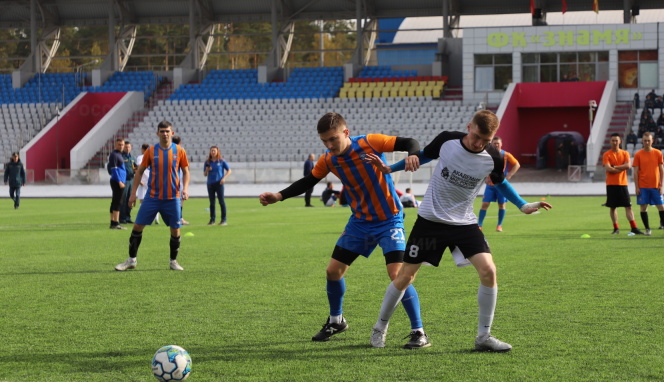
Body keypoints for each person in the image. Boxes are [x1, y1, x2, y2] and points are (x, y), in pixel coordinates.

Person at [367, 110, 551, 352]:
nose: (479, 143)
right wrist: (390, 169)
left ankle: (483, 337)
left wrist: (523, 205)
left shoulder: (493, 157)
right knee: (405, 277)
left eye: (485, 140)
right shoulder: (447, 141)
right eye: (476, 136)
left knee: (489, 271)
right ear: (469, 126)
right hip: (430, 221)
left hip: (464, 223)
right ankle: (380, 328)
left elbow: (500, 182)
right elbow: (422, 156)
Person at [258, 112, 426, 346]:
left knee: (398, 275)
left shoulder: (370, 142)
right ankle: (336, 320)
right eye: (324, 141)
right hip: (359, 223)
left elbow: (410, 143)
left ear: (345, 133)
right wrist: (279, 195)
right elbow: (309, 181)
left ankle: (418, 331)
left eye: (333, 139)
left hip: (390, 220)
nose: (329, 145)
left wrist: (413, 155)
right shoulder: (328, 159)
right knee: (333, 271)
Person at [115, 121, 190, 271]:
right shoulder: (151, 151)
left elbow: (186, 171)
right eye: (162, 131)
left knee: (175, 229)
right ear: (157, 133)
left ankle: (173, 261)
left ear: (172, 133)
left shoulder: (179, 151)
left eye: (167, 131)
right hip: (153, 197)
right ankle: (131, 260)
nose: (165, 134)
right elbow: (140, 172)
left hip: (172, 197)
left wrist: (185, 188)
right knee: (137, 226)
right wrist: (133, 194)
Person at [632, 132, 664, 236]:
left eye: (649, 140)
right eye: (645, 140)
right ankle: (647, 229)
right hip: (643, 186)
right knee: (643, 208)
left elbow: (662, 170)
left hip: (656, 186)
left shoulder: (658, 153)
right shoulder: (638, 154)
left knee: (662, 207)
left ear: (652, 141)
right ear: (642, 141)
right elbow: (636, 172)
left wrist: (662, 185)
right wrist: (637, 187)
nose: (647, 142)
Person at [603, 133, 643, 235]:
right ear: (610, 141)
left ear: (620, 141)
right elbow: (608, 168)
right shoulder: (606, 154)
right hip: (611, 184)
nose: (615, 142)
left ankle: (634, 228)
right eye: (613, 140)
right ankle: (616, 228)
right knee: (613, 207)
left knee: (628, 206)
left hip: (622, 183)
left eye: (616, 140)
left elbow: (628, 166)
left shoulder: (625, 153)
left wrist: (614, 167)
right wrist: (620, 167)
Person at [477, 137, 520, 232]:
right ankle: (479, 225)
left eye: (498, 143)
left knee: (501, 204)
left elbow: (517, 164)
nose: (496, 145)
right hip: (490, 185)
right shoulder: (487, 154)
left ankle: (499, 225)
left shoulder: (506, 155)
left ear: (501, 144)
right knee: (485, 204)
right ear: (491, 144)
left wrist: (509, 176)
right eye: (494, 143)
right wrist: (485, 176)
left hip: (501, 185)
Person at [204, 145, 231, 225]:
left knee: (221, 201)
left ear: (217, 151)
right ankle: (212, 220)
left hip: (219, 183)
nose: (213, 152)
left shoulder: (221, 161)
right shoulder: (208, 162)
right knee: (212, 202)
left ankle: (223, 220)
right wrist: (207, 170)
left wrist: (224, 178)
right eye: (211, 151)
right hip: (210, 184)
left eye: (214, 151)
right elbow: (205, 174)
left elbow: (229, 170)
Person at [135, 144, 158, 225]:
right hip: (149, 181)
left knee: (143, 200)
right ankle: (155, 219)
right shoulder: (152, 156)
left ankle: (143, 218)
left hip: (146, 181)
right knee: (153, 199)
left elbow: (138, 169)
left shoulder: (141, 157)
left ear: (142, 149)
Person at [107, 138, 127, 230]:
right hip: (117, 181)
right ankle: (116, 223)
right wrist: (119, 181)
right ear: (115, 145)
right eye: (119, 144)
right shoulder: (114, 155)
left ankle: (113, 222)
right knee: (118, 202)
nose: (121, 146)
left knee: (115, 201)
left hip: (118, 181)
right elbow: (113, 169)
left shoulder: (119, 154)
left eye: (122, 144)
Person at [172, 135, 190, 226]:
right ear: (180, 142)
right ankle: (179, 218)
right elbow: (186, 166)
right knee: (180, 199)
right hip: (180, 178)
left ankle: (178, 218)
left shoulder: (169, 149)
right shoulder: (181, 150)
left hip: (172, 178)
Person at [118, 141, 136, 224]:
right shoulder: (121, 157)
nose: (127, 148)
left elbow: (136, 168)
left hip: (131, 180)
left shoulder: (132, 158)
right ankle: (122, 218)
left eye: (129, 147)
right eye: (126, 147)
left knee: (130, 199)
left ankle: (128, 217)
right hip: (124, 181)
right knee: (123, 199)